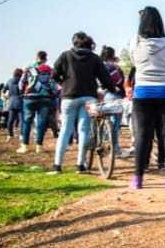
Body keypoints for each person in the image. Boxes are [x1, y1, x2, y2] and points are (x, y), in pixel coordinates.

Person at [129, 7, 165, 188]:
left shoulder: (135, 41)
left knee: (142, 135)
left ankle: (138, 180)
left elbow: (133, 63)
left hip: (143, 92)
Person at [49, 32, 116, 174]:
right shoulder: (94, 58)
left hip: (69, 96)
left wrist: (63, 83)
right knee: (83, 130)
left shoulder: (65, 55)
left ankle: (57, 166)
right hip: (88, 97)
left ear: (74, 42)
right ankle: (80, 165)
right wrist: (111, 88)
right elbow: (104, 77)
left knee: (65, 130)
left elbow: (54, 74)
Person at [17, 51, 56, 154]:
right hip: (45, 98)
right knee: (41, 122)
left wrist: (22, 91)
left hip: (30, 97)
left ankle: (24, 146)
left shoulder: (29, 68)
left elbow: (21, 83)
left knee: (27, 121)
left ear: (36, 57)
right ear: (45, 58)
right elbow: (53, 84)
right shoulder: (49, 69)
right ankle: (39, 146)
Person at [100, 45, 126, 155]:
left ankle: (105, 145)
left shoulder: (100, 67)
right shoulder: (114, 68)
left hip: (105, 96)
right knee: (115, 124)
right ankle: (115, 148)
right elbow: (118, 81)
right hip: (116, 96)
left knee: (107, 122)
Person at [5, 68, 23, 141]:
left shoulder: (9, 81)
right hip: (21, 101)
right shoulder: (22, 81)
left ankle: (10, 135)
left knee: (10, 120)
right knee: (22, 120)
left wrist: (6, 97)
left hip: (11, 102)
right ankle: (21, 135)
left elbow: (4, 90)